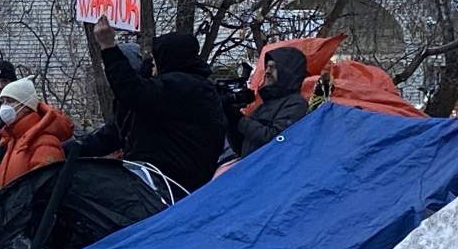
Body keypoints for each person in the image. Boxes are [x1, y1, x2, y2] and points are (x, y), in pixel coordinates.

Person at [92, 15, 227, 195]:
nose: (153, 67)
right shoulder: (195, 89)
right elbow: (117, 131)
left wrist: (108, 47)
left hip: (167, 185)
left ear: (167, 59)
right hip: (179, 182)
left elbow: (132, 91)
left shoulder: (181, 87)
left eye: (155, 61)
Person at [0, 77, 73, 191]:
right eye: (3, 101)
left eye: (10, 101)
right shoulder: (15, 139)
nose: (4, 106)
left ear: (26, 106)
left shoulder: (45, 143)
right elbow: (7, 179)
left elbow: (43, 190)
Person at [227, 46, 309, 158]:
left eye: (273, 67)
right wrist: (231, 120)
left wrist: (241, 120)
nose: (267, 72)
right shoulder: (265, 104)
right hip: (253, 165)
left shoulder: (296, 104)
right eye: (267, 67)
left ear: (287, 72)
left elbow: (276, 139)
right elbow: (242, 147)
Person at [68, 43, 145, 158]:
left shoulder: (142, 100)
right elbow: (112, 134)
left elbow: (113, 136)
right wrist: (75, 147)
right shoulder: (125, 100)